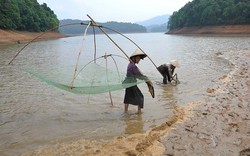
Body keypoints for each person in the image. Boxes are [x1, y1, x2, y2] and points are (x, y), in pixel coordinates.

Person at [123, 49, 153, 114]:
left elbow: (137, 75)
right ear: (135, 58)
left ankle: (126, 112)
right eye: (138, 58)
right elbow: (139, 75)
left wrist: (144, 77)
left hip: (128, 83)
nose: (139, 60)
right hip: (132, 84)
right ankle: (139, 112)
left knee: (127, 98)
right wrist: (146, 79)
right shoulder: (133, 66)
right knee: (140, 97)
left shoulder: (130, 64)